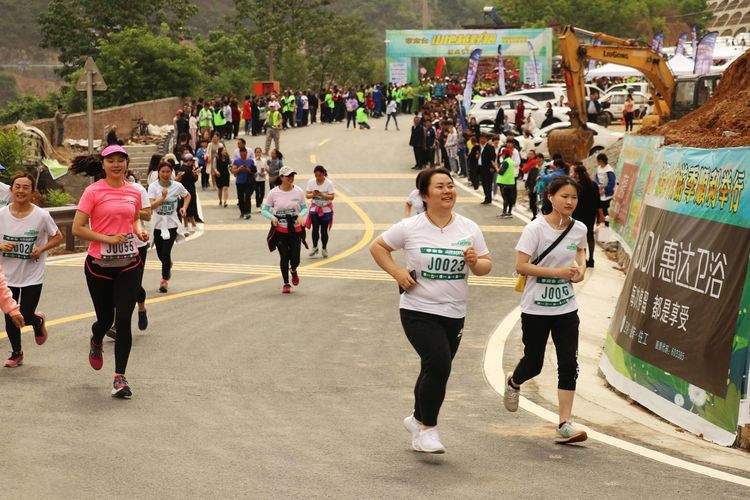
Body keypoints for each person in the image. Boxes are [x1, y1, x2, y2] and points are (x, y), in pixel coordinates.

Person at [370, 168, 492, 454]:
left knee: (433, 368)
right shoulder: (410, 227)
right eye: (440, 187)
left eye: (450, 186)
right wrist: (397, 272)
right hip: (417, 309)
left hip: (454, 311)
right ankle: (428, 429)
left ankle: (416, 418)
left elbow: (486, 266)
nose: (448, 191)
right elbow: (378, 247)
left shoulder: (469, 228)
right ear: (425, 195)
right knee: (439, 363)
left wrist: (475, 262)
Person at [505, 175, 589, 444]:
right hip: (536, 309)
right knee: (534, 363)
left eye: (574, 197)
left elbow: (581, 255)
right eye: (564, 196)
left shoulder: (579, 229)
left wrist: (579, 272)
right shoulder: (535, 229)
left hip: (566, 307)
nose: (569, 201)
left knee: (569, 363)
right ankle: (514, 381)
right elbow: (522, 266)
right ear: (550, 197)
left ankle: (565, 422)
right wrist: (558, 272)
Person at [70, 145, 150, 398]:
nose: (116, 165)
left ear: (126, 164)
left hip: (129, 263)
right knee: (105, 320)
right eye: (111, 161)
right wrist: (105, 238)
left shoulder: (134, 191)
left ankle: (119, 378)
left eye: (120, 161)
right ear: (103, 165)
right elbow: (77, 228)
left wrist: (138, 230)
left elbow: (134, 217)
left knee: (123, 319)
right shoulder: (93, 191)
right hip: (99, 266)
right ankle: (96, 340)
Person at [0, 173, 63, 367]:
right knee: (11, 315)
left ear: (32, 192)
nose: (20, 190)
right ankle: (17, 352)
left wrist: (41, 249)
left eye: (25, 187)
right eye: (17, 186)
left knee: (25, 315)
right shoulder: (1, 214)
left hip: (32, 274)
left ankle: (36, 321)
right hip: (6, 274)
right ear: (11, 190)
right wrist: (1, 245)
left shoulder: (41, 215)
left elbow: (58, 237)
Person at [262, 166, 308, 294]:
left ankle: (293, 270)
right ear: (281, 177)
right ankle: (286, 283)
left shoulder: (298, 191)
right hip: (280, 230)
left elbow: (304, 208)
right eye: (288, 176)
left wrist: (301, 215)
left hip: (295, 229)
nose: (291, 178)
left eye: (292, 175)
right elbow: (264, 210)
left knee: (295, 258)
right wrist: (272, 217)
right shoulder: (274, 193)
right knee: (284, 256)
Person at [148, 160, 190, 293]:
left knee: (166, 252)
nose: (165, 174)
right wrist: (162, 198)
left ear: (172, 172)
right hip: (157, 224)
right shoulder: (153, 187)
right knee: (161, 254)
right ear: (158, 173)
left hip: (171, 224)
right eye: (163, 172)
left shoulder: (177, 186)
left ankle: (164, 280)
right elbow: (151, 206)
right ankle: (168, 264)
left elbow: (187, 195)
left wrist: (183, 207)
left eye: (168, 171)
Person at [571, 163, 599, 268]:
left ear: (577, 173)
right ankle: (591, 259)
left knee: (580, 235)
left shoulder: (576, 185)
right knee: (590, 235)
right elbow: (598, 201)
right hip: (591, 214)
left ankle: (583, 258)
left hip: (578, 213)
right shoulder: (594, 185)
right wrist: (599, 214)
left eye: (574, 172)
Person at [305, 165, 335, 259]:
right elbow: (307, 195)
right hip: (315, 209)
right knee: (315, 229)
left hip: (326, 210)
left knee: (323, 230)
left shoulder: (329, 183)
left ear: (323, 174)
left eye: (320, 175)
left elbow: (332, 197)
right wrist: (313, 194)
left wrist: (322, 195)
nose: (318, 177)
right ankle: (314, 247)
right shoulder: (311, 182)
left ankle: (324, 248)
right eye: (316, 175)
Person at [177, 153, 200, 231]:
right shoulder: (187, 169)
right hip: (189, 190)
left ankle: (186, 225)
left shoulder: (182, 168)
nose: (192, 163)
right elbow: (193, 179)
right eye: (191, 161)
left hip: (184, 189)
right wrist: (196, 174)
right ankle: (193, 225)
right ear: (189, 161)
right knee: (190, 207)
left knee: (186, 207)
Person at [232, 147, 257, 220]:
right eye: (242, 154)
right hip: (240, 181)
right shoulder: (236, 161)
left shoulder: (250, 161)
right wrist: (239, 168)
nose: (244, 155)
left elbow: (253, 171)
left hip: (248, 181)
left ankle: (248, 212)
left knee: (247, 196)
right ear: (240, 154)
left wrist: (247, 169)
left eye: (245, 154)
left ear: (247, 153)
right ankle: (242, 212)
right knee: (240, 198)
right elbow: (233, 171)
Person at [594, 153, 616, 227]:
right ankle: (599, 225)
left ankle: (606, 226)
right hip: (600, 191)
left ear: (601, 161)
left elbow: (612, 183)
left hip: (607, 194)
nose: (597, 162)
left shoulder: (609, 170)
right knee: (598, 210)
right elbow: (596, 178)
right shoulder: (599, 168)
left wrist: (604, 190)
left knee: (605, 211)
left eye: (597, 161)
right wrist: (599, 186)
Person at [496, 147, 517, 218]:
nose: (501, 156)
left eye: (502, 154)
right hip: (511, 182)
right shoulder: (511, 161)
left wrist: (496, 168)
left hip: (504, 183)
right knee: (510, 198)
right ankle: (509, 212)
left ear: (505, 154)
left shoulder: (505, 162)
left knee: (505, 198)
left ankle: (504, 213)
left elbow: (501, 172)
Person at [477, 134, 496, 204]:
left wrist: (492, 167)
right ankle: (486, 197)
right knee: (484, 183)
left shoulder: (490, 147)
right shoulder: (478, 147)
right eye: (481, 138)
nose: (482, 140)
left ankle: (488, 198)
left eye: (484, 138)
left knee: (488, 184)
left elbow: (493, 158)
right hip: (480, 167)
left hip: (488, 168)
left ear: (486, 139)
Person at [523, 152, 542, 219]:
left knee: (540, 204)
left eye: (540, 159)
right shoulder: (533, 169)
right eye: (537, 159)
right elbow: (529, 179)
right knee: (533, 203)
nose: (539, 160)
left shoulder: (544, 169)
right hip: (532, 188)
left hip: (541, 189)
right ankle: (534, 216)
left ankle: (540, 217)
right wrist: (527, 187)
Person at [252, 147, 268, 213]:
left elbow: (266, 168)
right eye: (257, 152)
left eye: (259, 152)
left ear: (261, 153)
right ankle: (257, 205)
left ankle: (261, 203)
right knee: (257, 192)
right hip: (255, 179)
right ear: (254, 153)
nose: (258, 153)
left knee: (262, 192)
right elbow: (252, 169)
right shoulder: (253, 160)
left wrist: (264, 173)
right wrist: (258, 173)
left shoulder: (264, 160)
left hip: (262, 179)